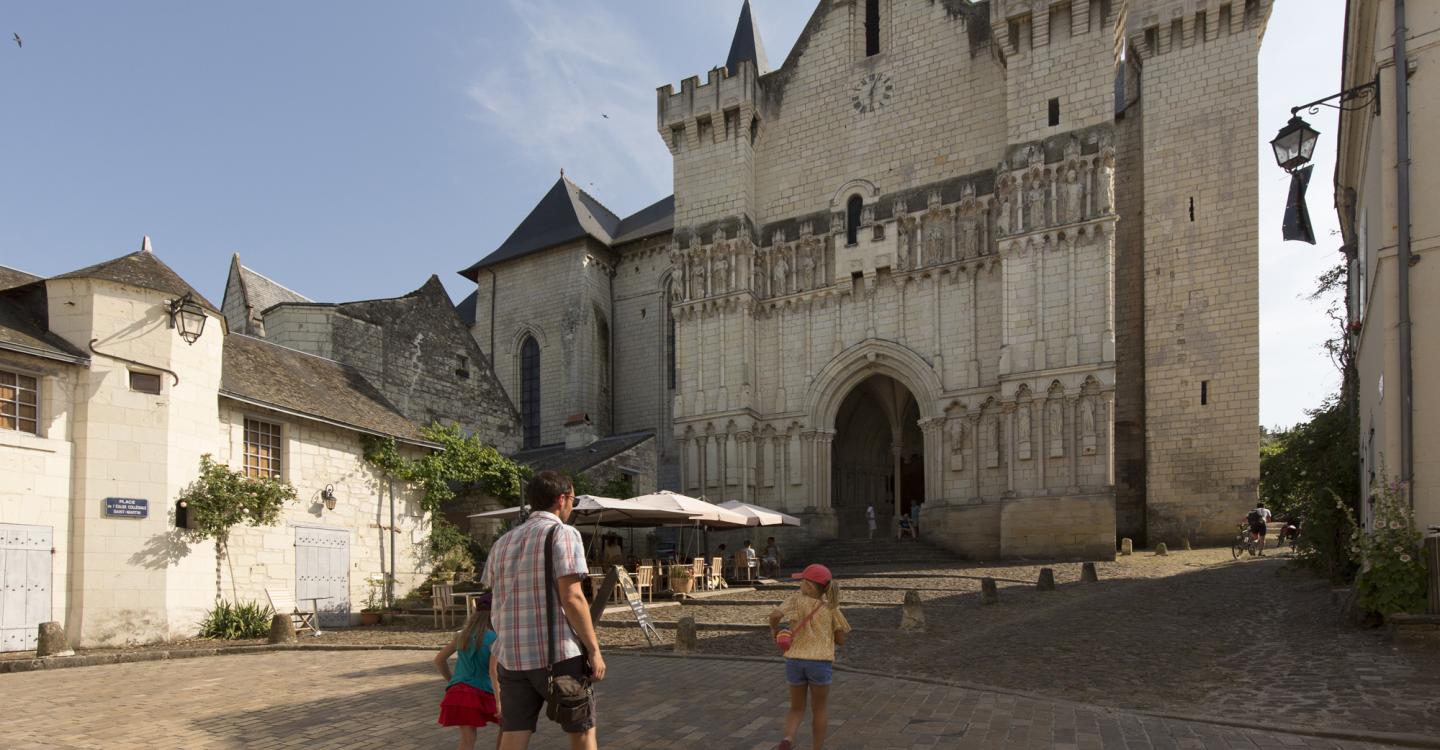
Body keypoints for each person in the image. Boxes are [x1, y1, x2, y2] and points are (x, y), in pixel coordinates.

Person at [481, 470, 606, 750]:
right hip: (557, 655)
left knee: (514, 734)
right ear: (561, 499)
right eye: (573, 499)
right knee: (582, 731)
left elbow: (495, 597)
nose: (573, 506)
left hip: (511, 658)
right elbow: (572, 597)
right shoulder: (563, 533)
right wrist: (594, 649)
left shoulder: (501, 543)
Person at [768, 564, 851, 750]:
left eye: (802, 581)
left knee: (796, 708)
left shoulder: (795, 600)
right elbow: (841, 640)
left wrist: (775, 631)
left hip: (795, 660)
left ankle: (788, 739)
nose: (799, 584)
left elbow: (774, 616)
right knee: (819, 709)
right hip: (820, 663)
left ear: (809, 586)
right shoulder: (831, 608)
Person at [434, 594, 503, 750]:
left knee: (467, 741)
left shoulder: (461, 635)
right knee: (508, 728)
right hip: (485, 692)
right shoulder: (496, 638)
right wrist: (500, 702)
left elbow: (439, 660)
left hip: (459, 692)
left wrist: (452, 681)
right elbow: (494, 671)